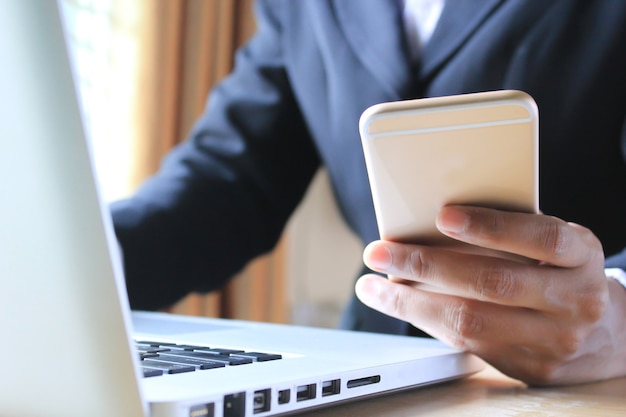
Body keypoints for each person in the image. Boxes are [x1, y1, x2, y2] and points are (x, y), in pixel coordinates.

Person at [111, 0, 626, 386]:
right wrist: (74, 256)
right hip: (368, 368)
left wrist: (616, 317)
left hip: (584, 380)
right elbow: (227, 181)